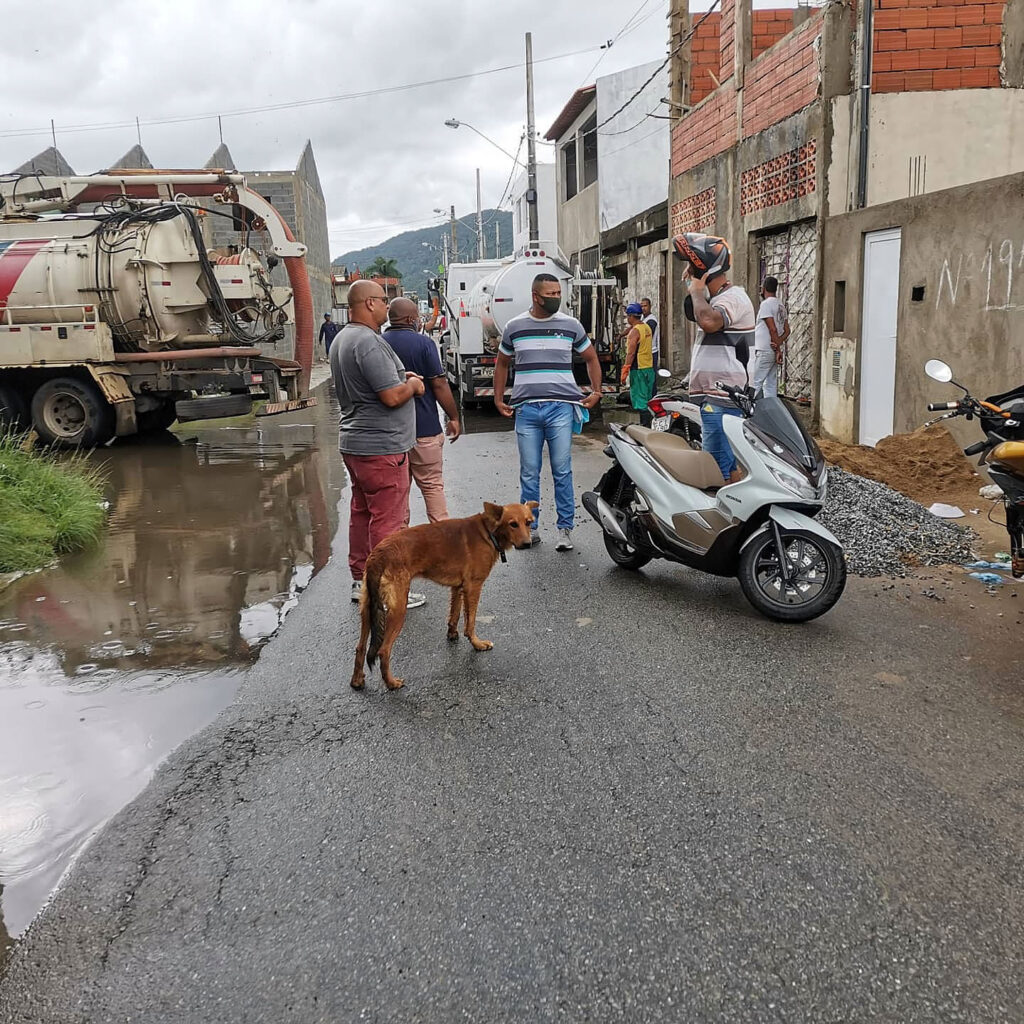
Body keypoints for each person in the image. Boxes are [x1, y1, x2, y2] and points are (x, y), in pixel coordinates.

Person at [331, 279, 427, 608]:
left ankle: (363, 582)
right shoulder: (368, 341)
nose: (388, 306)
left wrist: (402, 378)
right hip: (382, 447)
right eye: (384, 300)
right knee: (389, 520)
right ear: (369, 303)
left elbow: (378, 383)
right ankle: (386, 590)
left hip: (356, 444)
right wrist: (413, 386)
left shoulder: (343, 338)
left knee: (362, 514)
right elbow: (389, 396)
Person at [493, 273, 603, 551]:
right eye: (550, 294)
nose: (556, 297)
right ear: (535, 296)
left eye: (558, 293)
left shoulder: (570, 325)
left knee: (562, 470)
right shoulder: (514, 326)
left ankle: (565, 529)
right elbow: (502, 364)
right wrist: (497, 398)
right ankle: (531, 528)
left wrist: (596, 391)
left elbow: (590, 358)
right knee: (529, 472)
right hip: (527, 409)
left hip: (561, 408)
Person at [673, 232, 755, 485]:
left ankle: (722, 518)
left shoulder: (733, 298)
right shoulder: (718, 299)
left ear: (705, 268)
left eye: (691, 266)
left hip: (722, 399)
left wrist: (697, 291)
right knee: (727, 464)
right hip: (716, 398)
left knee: (715, 466)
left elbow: (708, 322)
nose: (687, 274)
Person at [382, 296, 461, 523]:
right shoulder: (424, 343)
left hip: (392, 433)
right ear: (410, 319)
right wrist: (453, 417)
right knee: (432, 486)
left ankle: (399, 544)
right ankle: (443, 542)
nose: (419, 321)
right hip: (425, 428)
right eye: (417, 317)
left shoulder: (379, 343)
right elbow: (438, 383)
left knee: (398, 493)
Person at [751, 276, 790, 399]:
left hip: (764, 349)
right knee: (770, 384)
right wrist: (778, 345)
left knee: (755, 383)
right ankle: (771, 410)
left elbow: (772, 328)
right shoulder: (781, 306)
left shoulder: (765, 305)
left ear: (763, 289)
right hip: (773, 350)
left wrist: (777, 347)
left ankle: (747, 412)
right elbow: (787, 331)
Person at [620, 302, 656, 427]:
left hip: (638, 369)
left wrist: (625, 370)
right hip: (649, 368)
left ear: (630, 316)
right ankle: (650, 424)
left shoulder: (635, 332)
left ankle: (645, 426)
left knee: (640, 401)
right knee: (647, 398)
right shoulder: (646, 327)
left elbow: (630, 353)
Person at [640, 297, 660, 373]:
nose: (643, 308)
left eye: (645, 306)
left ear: (650, 306)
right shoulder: (642, 318)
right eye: (641, 306)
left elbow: (646, 336)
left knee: (650, 377)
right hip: (645, 352)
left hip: (651, 352)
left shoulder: (651, 320)